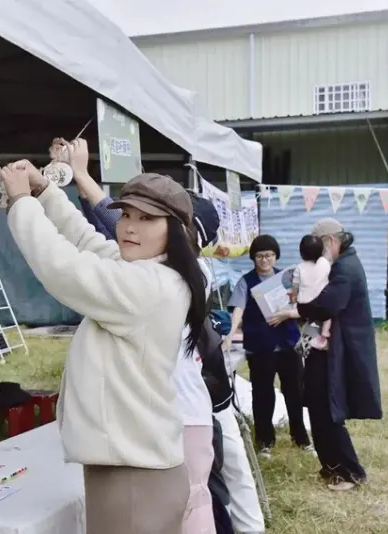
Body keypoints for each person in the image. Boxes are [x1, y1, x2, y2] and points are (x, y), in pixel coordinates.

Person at [0, 139, 207, 534]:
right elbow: (88, 241)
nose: (129, 226)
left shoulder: (148, 286)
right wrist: (45, 192)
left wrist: (22, 202)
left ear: (176, 230)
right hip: (137, 471)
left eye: (147, 218)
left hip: (133, 478)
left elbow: (64, 268)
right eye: (126, 213)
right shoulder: (154, 273)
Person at [73, 159, 264, 534]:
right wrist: (82, 179)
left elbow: (110, 225)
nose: (136, 225)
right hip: (193, 403)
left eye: (151, 218)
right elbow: (114, 225)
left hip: (185, 410)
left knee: (198, 501)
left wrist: (81, 176)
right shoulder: (183, 271)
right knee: (211, 489)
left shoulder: (178, 275)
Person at [269, 218, 380, 491]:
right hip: (326, 346)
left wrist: (297, 308)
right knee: (317, 405)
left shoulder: (345, 268)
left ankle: (350, 472)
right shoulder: (341, 264)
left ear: (330, 241)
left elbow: (328, 305)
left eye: (319, 246)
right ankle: (331, 467)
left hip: (337, 349)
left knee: (328, 409)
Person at [224, 235, 313, 460]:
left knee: (295, 392)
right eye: (260, 256)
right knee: (262, 394)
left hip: (288, 344)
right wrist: (231, 332)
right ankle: (265, 441)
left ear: (276, 256)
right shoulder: (246, 282)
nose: (265, 260)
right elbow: (238, 309)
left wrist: (287, 314)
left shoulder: (287, 279)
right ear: (253, 258)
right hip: (260, 347)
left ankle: (301, 437)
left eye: (269, 255)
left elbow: (303, 306)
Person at [292, 234, 332, 350]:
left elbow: (295, 285)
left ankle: (307, 338)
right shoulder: (325, 263)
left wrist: (294, 296)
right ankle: (325, 332)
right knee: (328, 315)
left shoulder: (299, 267)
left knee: (311, 320)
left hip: (304, 304)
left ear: (301, 252)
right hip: (321, 303)